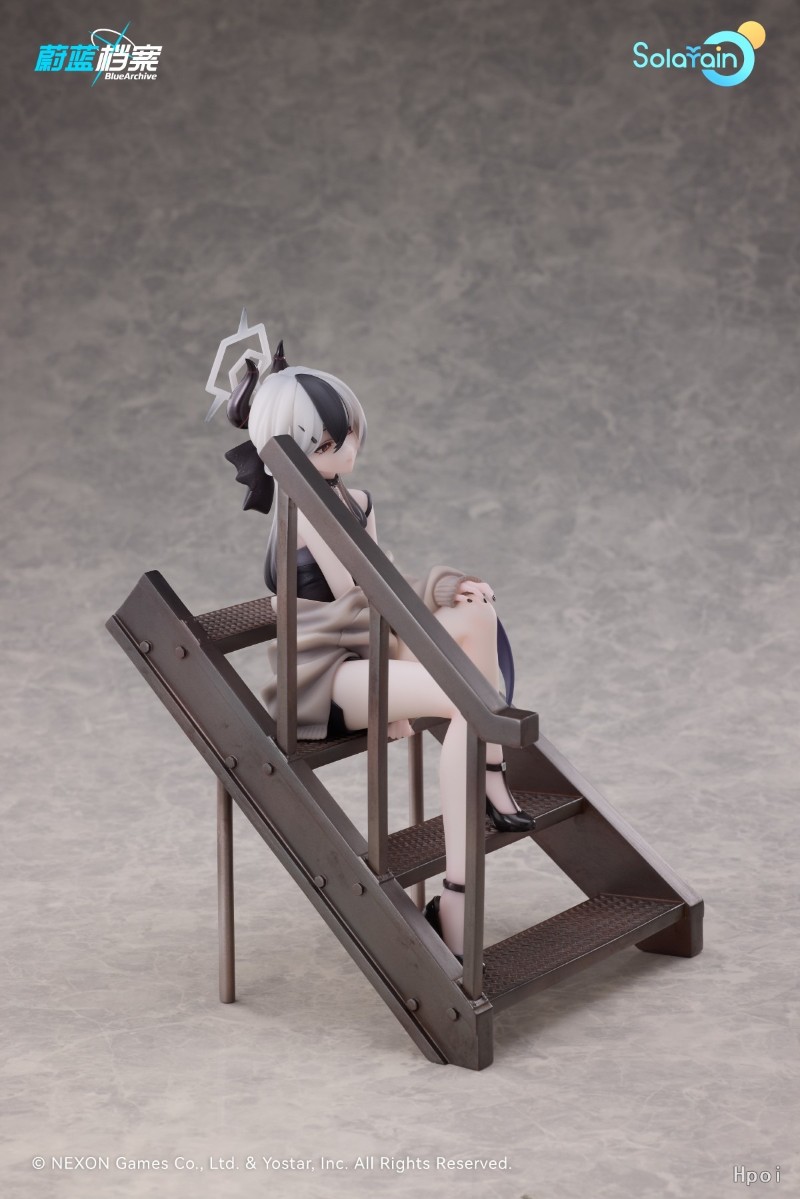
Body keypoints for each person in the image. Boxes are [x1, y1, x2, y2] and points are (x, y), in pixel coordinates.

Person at [212, 336, 533, 961]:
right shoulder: (302, 514)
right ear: (288, 450)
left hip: (367, 650)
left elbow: (378, 589)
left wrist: (453, 592)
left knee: (479, 614)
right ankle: (456, 903)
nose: (347, 450)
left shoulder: (354, 503)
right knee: (468, 703)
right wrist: (438, 587)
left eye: (349, 435)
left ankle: (490, 777)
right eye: (327, 443)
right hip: (322, 679)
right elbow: (367, 592)